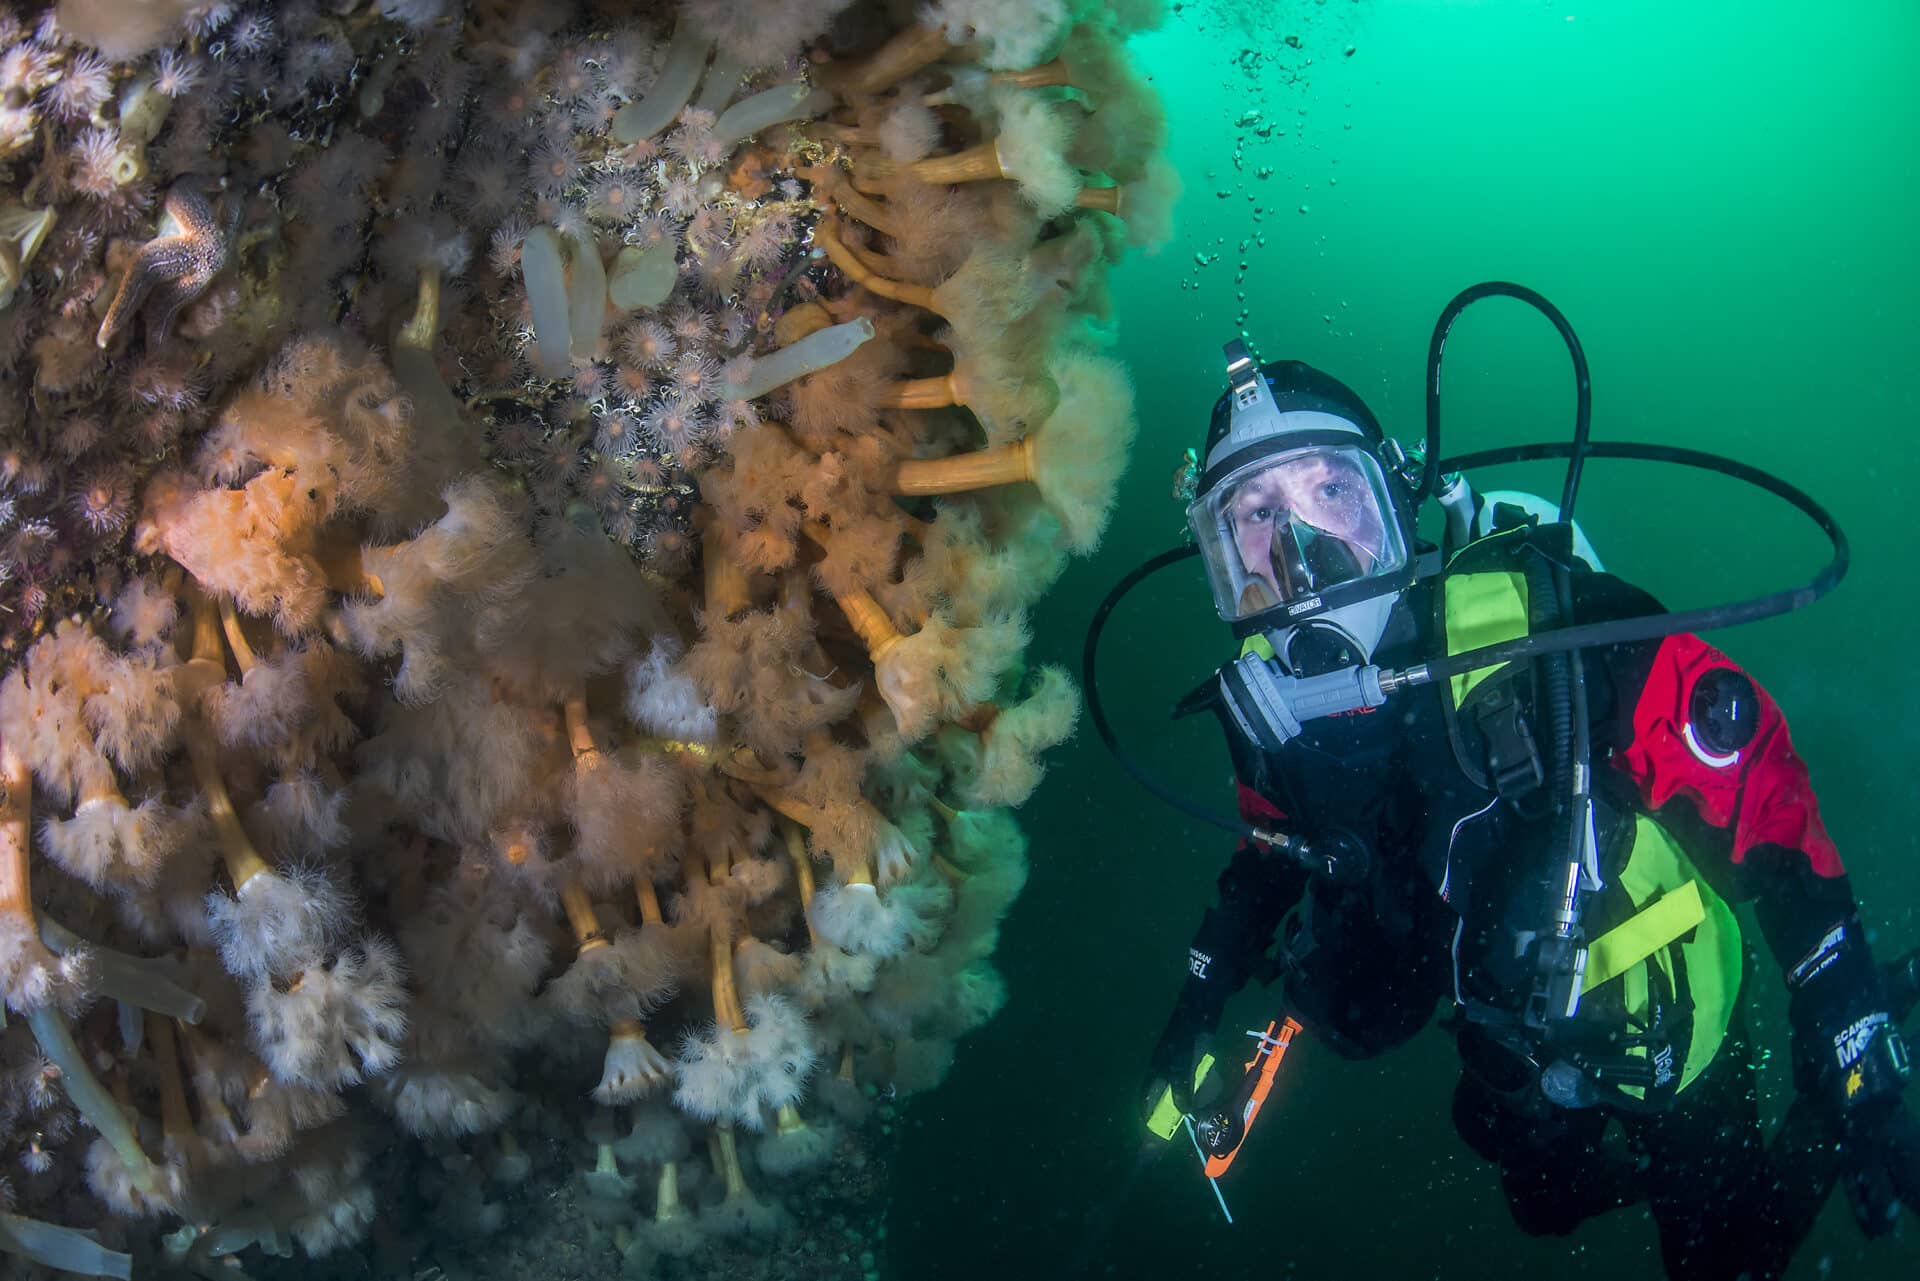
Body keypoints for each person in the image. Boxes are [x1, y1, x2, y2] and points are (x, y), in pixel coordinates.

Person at [1142, 350, 1920, 1280]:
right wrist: (1199, 995)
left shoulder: (1548, 639)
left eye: (1330, 493)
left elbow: (1762, 794)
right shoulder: (1269, 723)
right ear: (1220, 561)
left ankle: (1867, 1048)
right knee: (1542, 1209)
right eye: (1257, 518)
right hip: (1517, 1037)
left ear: (1396, 505)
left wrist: (1848, 1021)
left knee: (1728, 1258)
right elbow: (1274, 852)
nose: (1303, 560)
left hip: (1673, 1019)